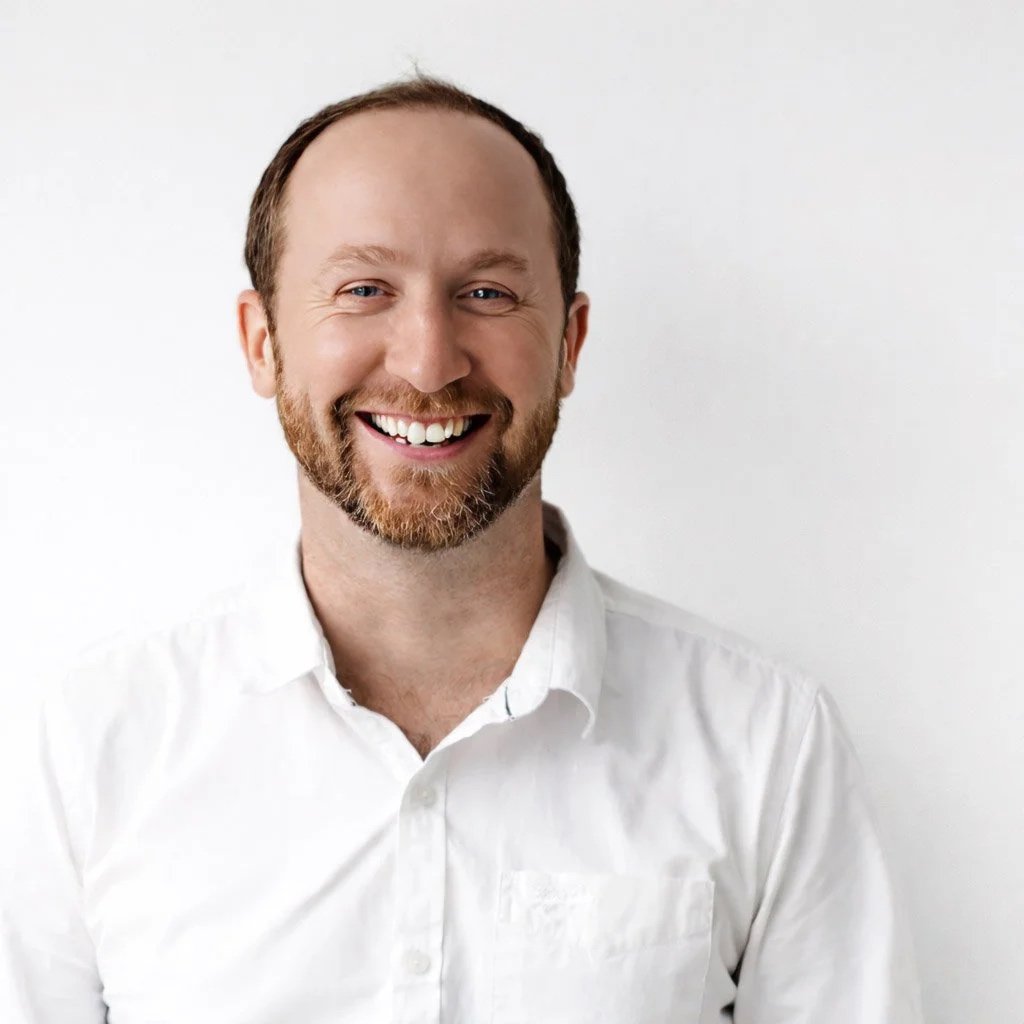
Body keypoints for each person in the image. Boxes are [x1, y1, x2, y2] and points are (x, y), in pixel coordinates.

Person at [0, 75, 923, 1023]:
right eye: (363, 290)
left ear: (569, 342)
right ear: (262, 342)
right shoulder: (91, 745)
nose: (428, 361)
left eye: (487, 292)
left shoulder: (766, 740)